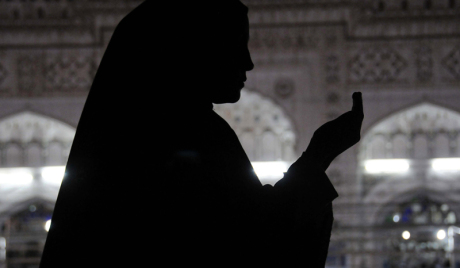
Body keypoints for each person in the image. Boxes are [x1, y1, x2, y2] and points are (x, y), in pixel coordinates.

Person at [39, 0, 364, 267]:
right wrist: (319, 155)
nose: (248, 63)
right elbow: (257, 242)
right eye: (236, 47)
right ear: (193, 50)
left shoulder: (145, 130)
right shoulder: (186, 134)